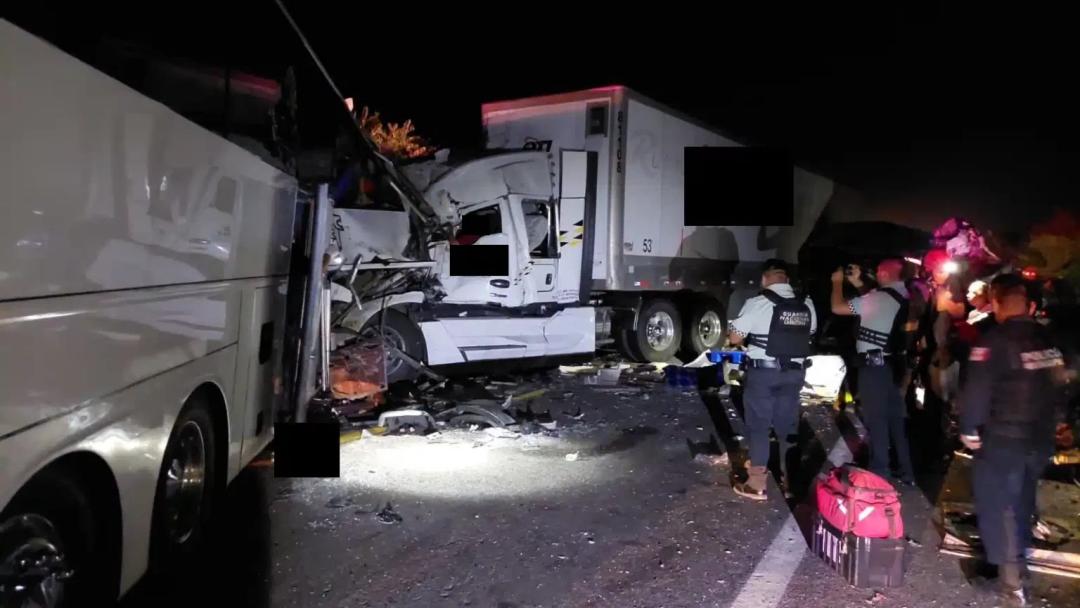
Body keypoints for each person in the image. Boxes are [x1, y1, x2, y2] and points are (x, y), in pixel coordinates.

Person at [958, 273, 1068, 605]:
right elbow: (1060, 384)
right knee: (1022, 503)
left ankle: (1011, 586)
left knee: (999, 507)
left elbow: (976, 393)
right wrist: (1059, 424)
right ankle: (1017, 570)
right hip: (1039, 439)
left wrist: (969, 430)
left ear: (996, 301)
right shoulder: (1047, 340)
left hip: (1003, 440)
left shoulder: (992, 342)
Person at [728, 259, 817, 501]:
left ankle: (756, 484)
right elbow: (810, 332)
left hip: (764, 374)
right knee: (787, 427)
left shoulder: (757, 303)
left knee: (758, 425)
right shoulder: (807, 304)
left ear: (765, 280)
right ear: (787, 281)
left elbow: (735, 338)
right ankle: (790, 482)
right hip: (795, 373)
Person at [831, 258, 917, 485]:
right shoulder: (906, 297)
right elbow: (875, 306)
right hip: (894, 365)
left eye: (879, 271)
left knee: (876, 420)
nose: (876, 274)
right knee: (896, 421)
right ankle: (906, 470)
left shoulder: (879, 298)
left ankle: (880, 472)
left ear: (886, 274)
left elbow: (838, 307)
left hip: (874, 368)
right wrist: (860, 285)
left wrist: (837, 283)